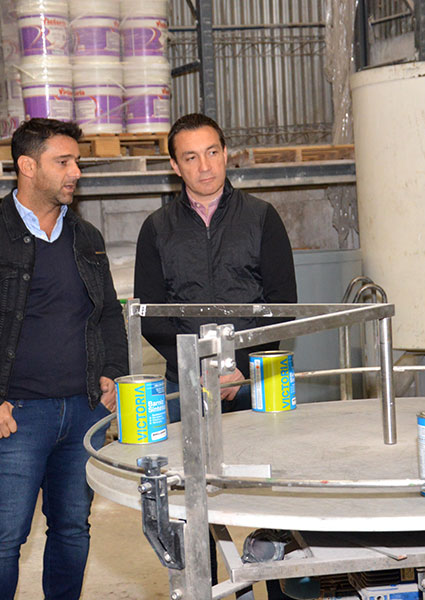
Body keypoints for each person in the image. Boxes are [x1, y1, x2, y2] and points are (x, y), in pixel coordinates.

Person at [0, 118, 128, 600]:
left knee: (73, 529)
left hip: (83, 412)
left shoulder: (86, 236)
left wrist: (113, 373)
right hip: (14, 418)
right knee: (2, 541)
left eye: (76, 162)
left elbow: (109, 314)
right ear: (27, 166)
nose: (75, 172)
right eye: (63, 162)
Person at [134, 112, 297, 599]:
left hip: (257, 383)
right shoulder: (156, 229)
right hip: (186, 385)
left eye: (211, 153)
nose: (204, 166)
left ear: (226, 154)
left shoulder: (262, 217)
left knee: (272, 500)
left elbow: (282, 305)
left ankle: (277, 589)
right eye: (191, 157)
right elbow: (151, 316)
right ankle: (210, 590)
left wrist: (240, 369)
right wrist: (199, 371)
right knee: (191, 502)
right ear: (175, 166)